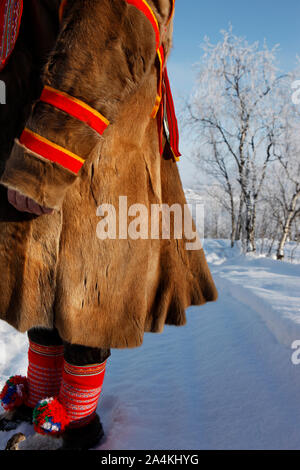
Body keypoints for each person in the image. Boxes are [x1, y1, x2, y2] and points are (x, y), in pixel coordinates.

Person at [0, 0, 217, 450]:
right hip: (41, 149)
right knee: (45, 295)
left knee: (90, 303)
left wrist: (43, 160)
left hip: (93, 161)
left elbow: (104, 48)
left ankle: (77, 423)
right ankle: (42, 403)